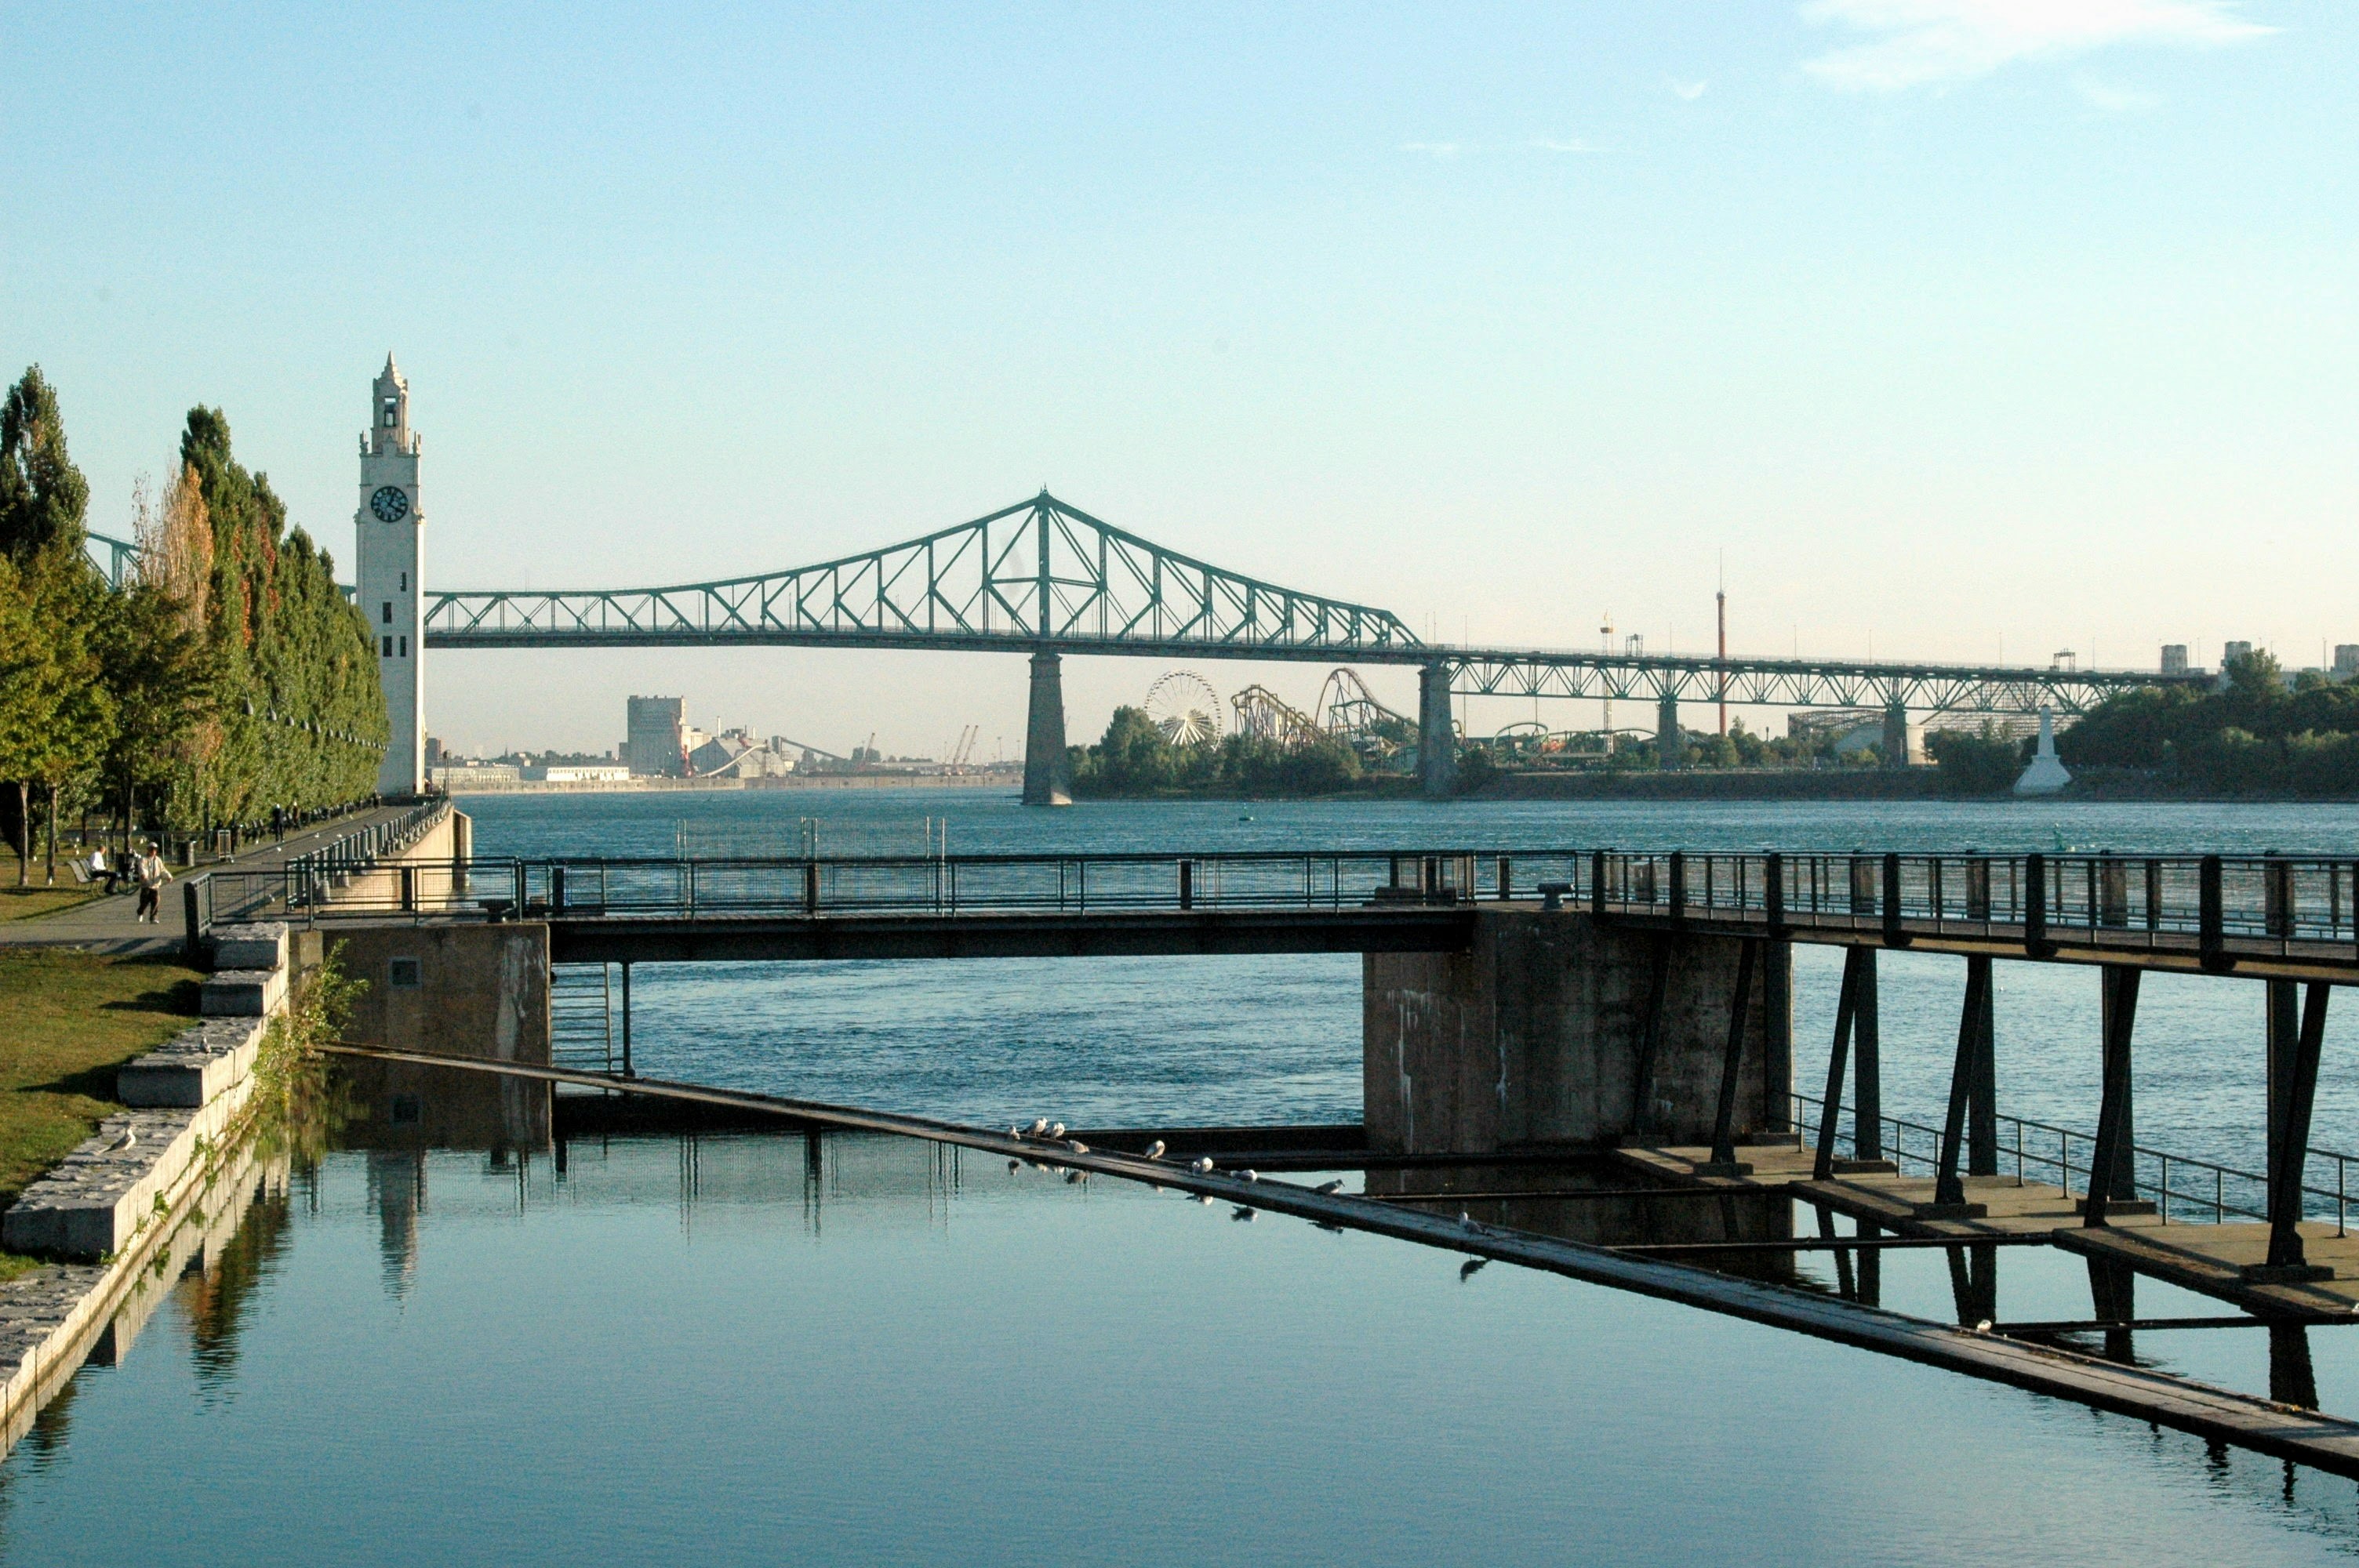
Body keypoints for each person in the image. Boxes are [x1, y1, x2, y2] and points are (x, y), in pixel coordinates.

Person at [134, 841, 173, 924]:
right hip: (146, 884)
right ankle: (140, 912)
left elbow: (162, 870)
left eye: (154, 850)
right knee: (144, 902)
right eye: (151, 849)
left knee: (156, 900)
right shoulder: (143, 859)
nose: (153, 851)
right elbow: (142, 868)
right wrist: (143, 875)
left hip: (155, 884)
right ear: (148, 850)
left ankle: (154, 917)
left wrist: (168, 876)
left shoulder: (158, 860)